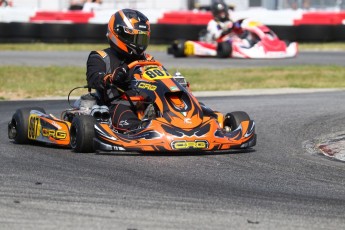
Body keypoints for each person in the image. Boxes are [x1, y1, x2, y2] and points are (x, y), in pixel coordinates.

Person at [86, 9, 152, 132]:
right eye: (135, 38)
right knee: (123, 111)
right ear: (120, 34)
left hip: (148, 102)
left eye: (141, 39)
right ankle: (139, 131)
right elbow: (94, 79)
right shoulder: (100, 57)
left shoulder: (148, 59)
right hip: (118, 103)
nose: (139, 44)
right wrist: (111, 78)